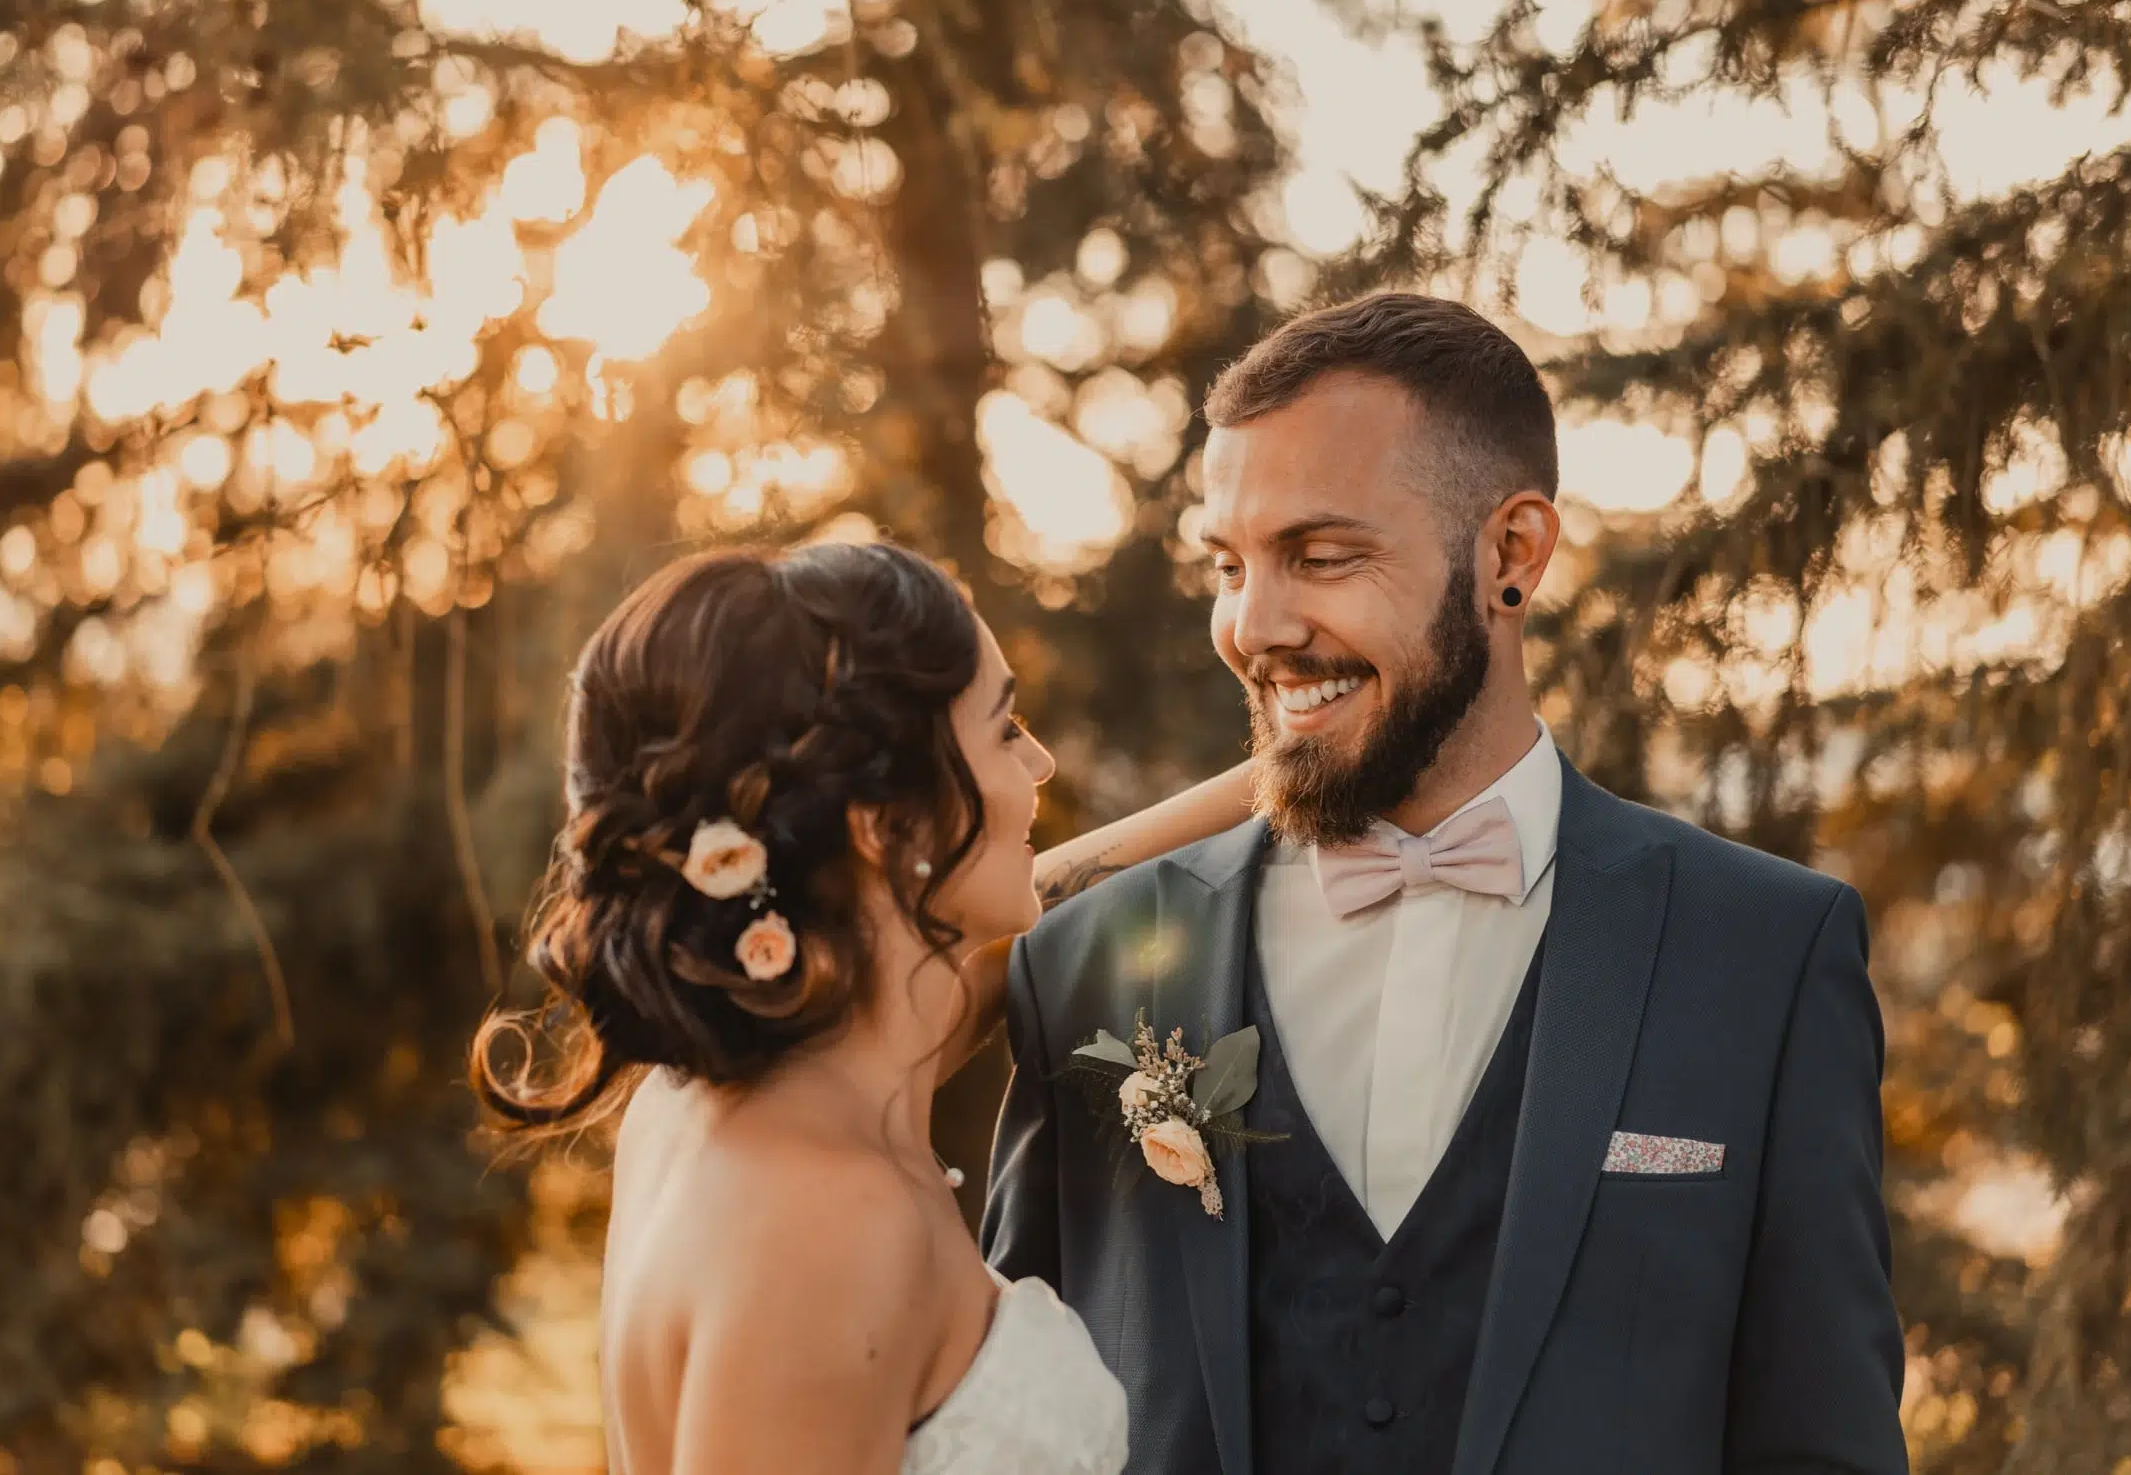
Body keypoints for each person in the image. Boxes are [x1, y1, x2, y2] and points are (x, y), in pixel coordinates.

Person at [984, 292, 1909, 1475]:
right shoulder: (1087, 964)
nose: (1253, 624)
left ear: (1510, 555)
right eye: (1228, 564)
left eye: (1320, 557)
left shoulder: (1763, 956)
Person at [473, 541, 1254, 1474]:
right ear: (884, 823)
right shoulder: (828, 1230)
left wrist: (1285, 778)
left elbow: (1038, 913)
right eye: (1006, 729)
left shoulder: (720, 1093)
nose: (1039, 764)